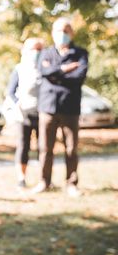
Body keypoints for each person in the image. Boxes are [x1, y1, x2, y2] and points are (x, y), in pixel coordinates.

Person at [33, 17, 88, 196]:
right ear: (52, 33)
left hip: (70, 108)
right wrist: (65, 69)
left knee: (71, 148)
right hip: (47, 107)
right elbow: (44, 72)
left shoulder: (80, 53)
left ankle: (71, 183)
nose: (62, 35)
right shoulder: (46, 53)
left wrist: (55, 73)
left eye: (65, 31)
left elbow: (78, 77)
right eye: (58, 31)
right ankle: (44, 181)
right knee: (45, 148)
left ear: (71, 33)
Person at [6, 37, 43, 188]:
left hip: (42, 113)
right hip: (23, 114)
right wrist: (18, 103)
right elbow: (11, 91)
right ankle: (21, 178)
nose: (36, 52)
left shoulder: (45, 68)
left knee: (43, 147)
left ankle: (44, 178)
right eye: (33, 49)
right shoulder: (19, 68)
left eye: (39, 49)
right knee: (23, 146)